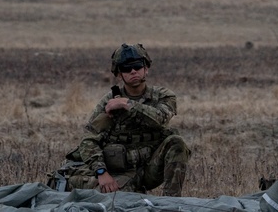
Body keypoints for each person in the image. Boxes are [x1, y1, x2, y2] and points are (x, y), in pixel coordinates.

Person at [50, 43, 190, 196]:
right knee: (115, 198)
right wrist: (101, 172)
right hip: (120, 172)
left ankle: (171, 203)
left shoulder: (163, 96)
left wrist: (127, 104)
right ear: (119, 74)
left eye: (137, 66)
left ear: (146, 68)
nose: (133, 71)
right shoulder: (108, 102)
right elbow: (88, 141)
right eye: (126, 69)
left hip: (151, 168)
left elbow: (160, 119)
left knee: (177, 142)